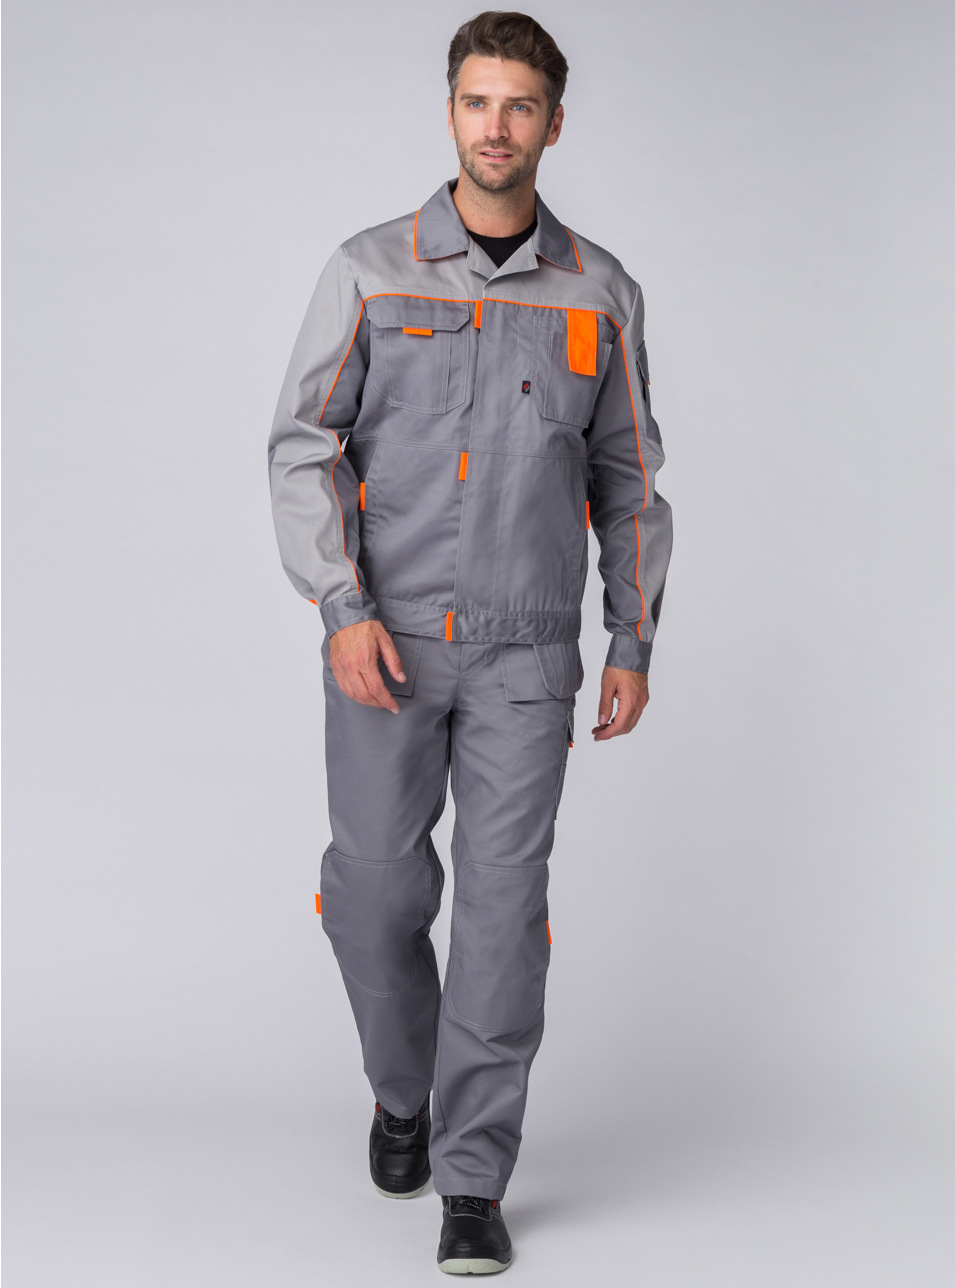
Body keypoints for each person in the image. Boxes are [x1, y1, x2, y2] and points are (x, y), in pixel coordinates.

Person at [268, 10, 672, 1274]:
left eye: (520, 106)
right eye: (477, 102)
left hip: (526, 656)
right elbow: (302, 449)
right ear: (450, 112)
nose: (497, 128)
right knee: (373, 894)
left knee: (501, 916)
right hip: (383, 650)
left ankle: (473, 1178)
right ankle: (405, 1093)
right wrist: (340, 608)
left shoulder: (599, 291)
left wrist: (631, 637)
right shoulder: (368, 270)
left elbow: (629, 480)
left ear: (554, 123)